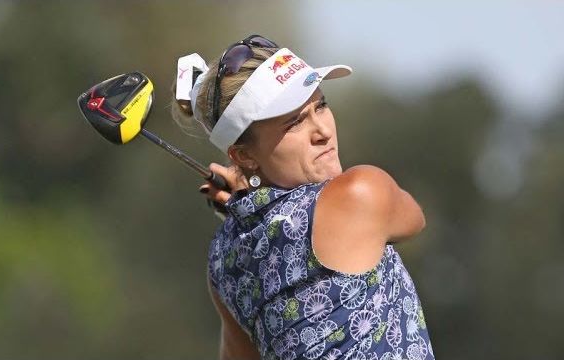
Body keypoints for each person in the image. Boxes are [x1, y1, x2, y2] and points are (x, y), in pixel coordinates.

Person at [171, 35, 434, 360]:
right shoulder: (360, 193)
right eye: (294, 122)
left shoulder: (223, 262)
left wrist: (251, 208)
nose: (322, 131)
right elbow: (414, 219)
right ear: (243, 155)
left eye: (321, 105)